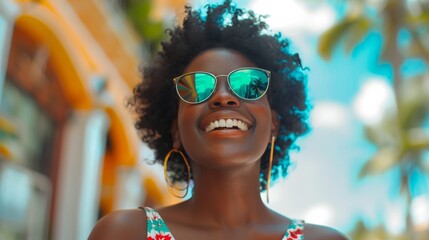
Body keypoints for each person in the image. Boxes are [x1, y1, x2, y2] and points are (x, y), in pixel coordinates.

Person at [88, 1, 349, 239]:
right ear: (175, 130)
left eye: (248, 84)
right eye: (198, 87)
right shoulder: (123, 233)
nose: (223, 97)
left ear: (274, 124)